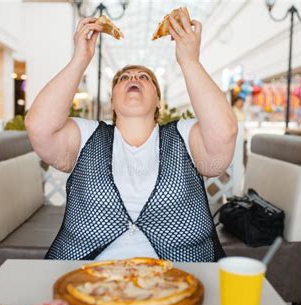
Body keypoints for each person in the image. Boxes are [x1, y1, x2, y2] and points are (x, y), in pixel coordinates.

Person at [25, 9, 238, 262]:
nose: (133, 78)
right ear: (112, 102)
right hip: (88, 277)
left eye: (144, 77)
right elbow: (38, 127)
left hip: (181, 277)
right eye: (123, 78)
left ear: (158, 101)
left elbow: (225, 135)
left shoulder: (184, 136)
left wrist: (189, 61)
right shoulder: (86, 136)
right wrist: (80, 59)